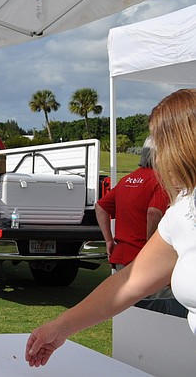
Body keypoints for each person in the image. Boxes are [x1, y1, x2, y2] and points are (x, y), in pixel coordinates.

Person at [26, 88, 196, 368]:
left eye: (162, 148)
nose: (160, 161)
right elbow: (129, 282)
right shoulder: (183, 211)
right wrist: (60, 327)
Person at [95, 137, 169, 271]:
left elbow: (100, 207)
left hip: (121, 256)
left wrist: (108, 240)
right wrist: (150, 250)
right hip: (143, 260)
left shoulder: (126, 180)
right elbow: (153, 213)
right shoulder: (160, 181)